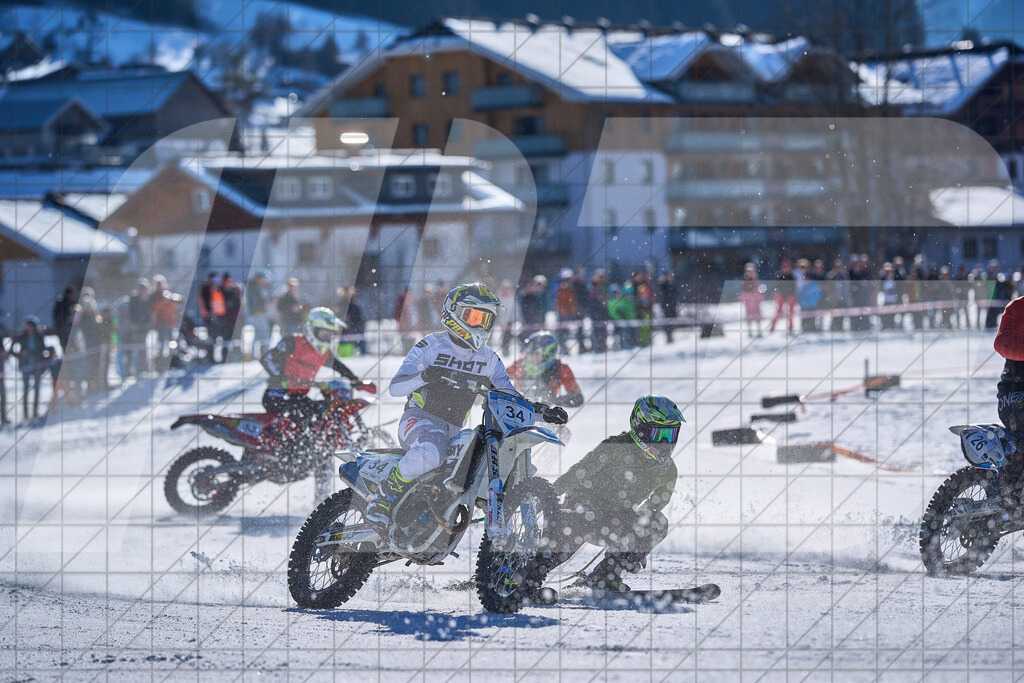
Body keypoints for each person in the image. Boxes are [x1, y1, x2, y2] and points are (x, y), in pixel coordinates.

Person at [364, 283, 518, 528]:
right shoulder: (431, 345)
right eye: (474, 317)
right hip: (418, 420)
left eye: (486, 319)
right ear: (454, 312)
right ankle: (383, 497)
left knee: (479, 455)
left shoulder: (488, 359)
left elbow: (510, 395)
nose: (480, 325)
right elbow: (395, 388)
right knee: (432, 450)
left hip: (453, 430)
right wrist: (426, 376)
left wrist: (541, 410)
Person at [541, 396, 686, 591]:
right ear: (640, 428)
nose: (665, 442)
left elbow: (654, 507)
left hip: (614, 521)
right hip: (580, 513)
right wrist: (547, 497)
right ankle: (525, 579)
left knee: (658, 523)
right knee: (559, 552)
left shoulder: (668, 470)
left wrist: (637, 546)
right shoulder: (616, 447)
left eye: (670, 435)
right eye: (659, 434)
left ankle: (603, 577)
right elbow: (578, 473)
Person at [260, 307, 371, 452]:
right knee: (304, 414)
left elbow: (339, 367)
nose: (327, 337)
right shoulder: (293, 342)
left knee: (320, 415)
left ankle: (312, 453)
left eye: (329, 334)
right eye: (324, 333)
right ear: (312, 329)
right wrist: (281, 379)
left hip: (297, 397)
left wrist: (355, 379)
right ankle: (295, 453)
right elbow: (267, 359)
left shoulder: (322, 353)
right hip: (277, 394)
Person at [507, 331, 583, 409]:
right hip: (518, 408)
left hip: (544, 412)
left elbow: (577, 398)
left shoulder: (561, 368)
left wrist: (555, 400)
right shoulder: (520, 364)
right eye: (529, 354)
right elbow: (500, 377)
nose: (530, 359)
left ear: (547, 356)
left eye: (535, 355)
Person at [11, 316, 46, 420]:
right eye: (28, 325)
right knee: (26, 389)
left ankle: (35, 412)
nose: (29, 327)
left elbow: (43, 349)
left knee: (37, 389)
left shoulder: (39, 336)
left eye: (31, 325)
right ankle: (26, 413)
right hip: (25, 366)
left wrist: (34, 353)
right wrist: (20, 354)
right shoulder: (22, 336)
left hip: (37, 365)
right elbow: (11, 349)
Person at [245, 269, 273, 360]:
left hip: (259, 314)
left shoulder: (258, 287)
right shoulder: (253, 288)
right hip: (257, 315)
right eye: (263, 279)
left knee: (258, 336)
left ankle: (256, 355)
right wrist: (267, 306)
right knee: (264, 335)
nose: (264, 280)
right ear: (258, 279)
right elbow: (256, 304)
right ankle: (262, 355)